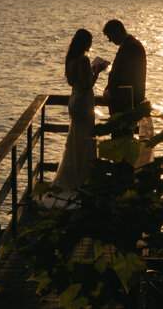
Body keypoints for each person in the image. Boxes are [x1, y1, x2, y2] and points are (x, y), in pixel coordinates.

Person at [50, 28, 107, 197]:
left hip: (73, 100)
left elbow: (73, 82)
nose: (91, 44)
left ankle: (72, 176)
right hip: (83, 103)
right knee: (86, 140)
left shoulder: (70, 59)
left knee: (75, 139)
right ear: (85, 42)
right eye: (89, 41)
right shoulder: (83, 59)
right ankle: (83, 178)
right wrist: (98, 70)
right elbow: (88, 84)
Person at [102, 19, 146, 115]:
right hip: (123, 101)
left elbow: (125, 75)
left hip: (126, 103)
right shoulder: (128, 45)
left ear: (118, 31)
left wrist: (110, 91)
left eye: (110, 36)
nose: (110, 40)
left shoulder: (132, 46)